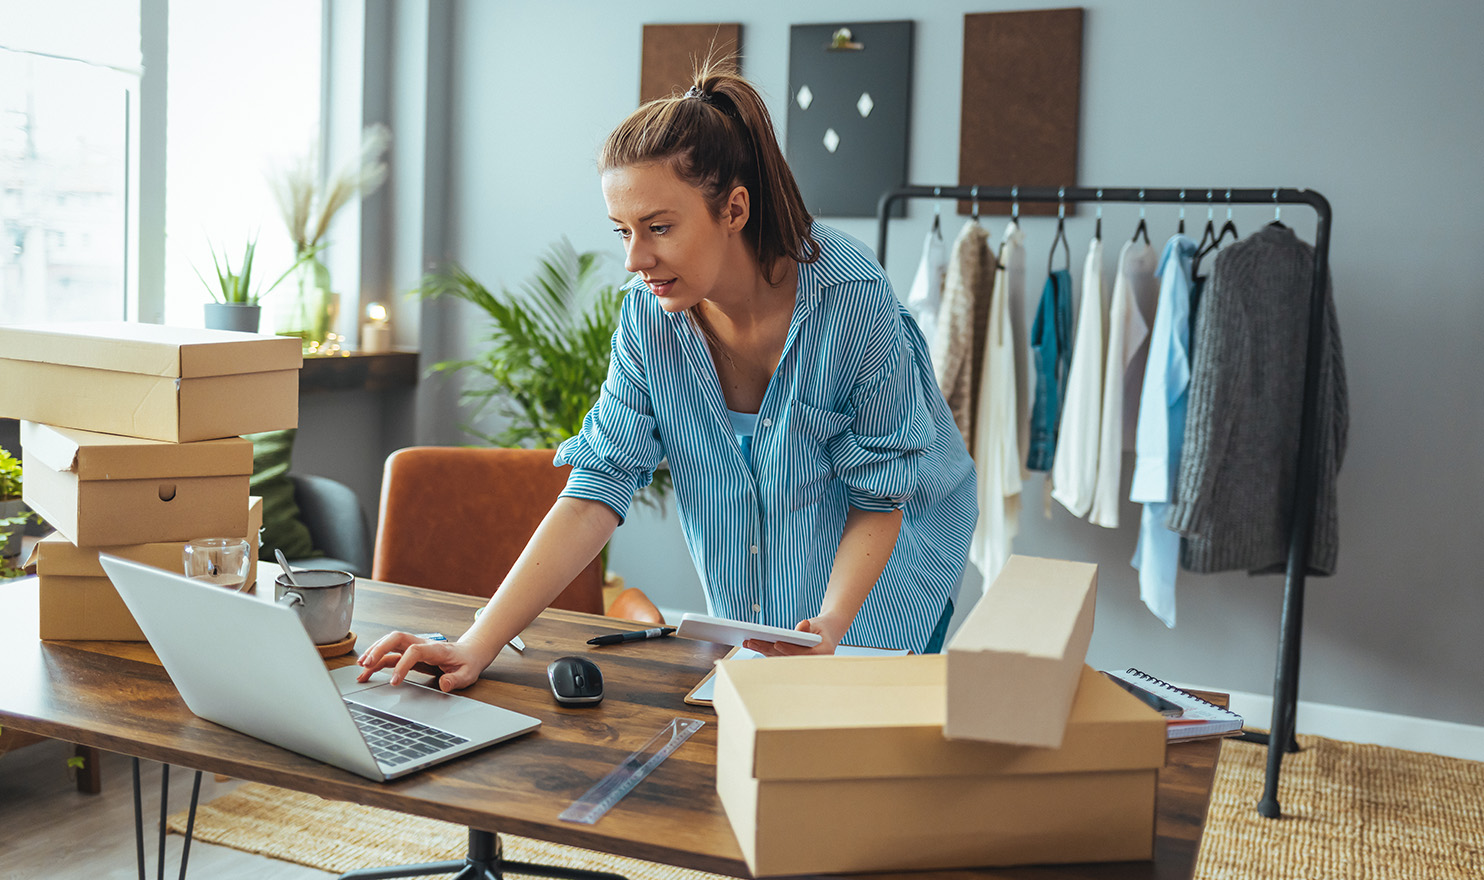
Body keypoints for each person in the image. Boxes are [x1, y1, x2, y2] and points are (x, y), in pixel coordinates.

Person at [358, 63, 976, 693]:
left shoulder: (853, 302)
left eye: (658, 227)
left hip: (888, 579)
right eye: (622, 231)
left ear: (734, 208)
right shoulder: (649, 320)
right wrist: (474, 643)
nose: (635, 259)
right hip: (762, 608)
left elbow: (880, 499)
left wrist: (831, 625)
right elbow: (599, 486)